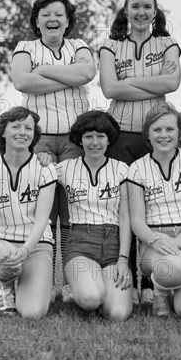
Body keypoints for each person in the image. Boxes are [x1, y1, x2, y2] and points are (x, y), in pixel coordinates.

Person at [10, 0, 96, 303]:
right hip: (40, 138)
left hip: (76, 140)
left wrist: (43, 71)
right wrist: (67, 77)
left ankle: (71, 284)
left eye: (59, 14)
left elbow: (87, 74)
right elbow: (21, 82)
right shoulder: (25, 48)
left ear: (68, 21)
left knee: (73, 212)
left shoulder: (79, 46)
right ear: (36, 20)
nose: (53, 19)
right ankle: (42, 283)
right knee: (42, 214)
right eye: (46, 14)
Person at [99, 0, 181, 304]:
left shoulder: (167, 43)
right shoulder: (110, 45)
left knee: (151, 208)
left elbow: (172, 83)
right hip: (120, 134)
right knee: (124, 209)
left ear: (155, 11)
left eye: (148, 6)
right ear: (126, 10)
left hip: (154, 134)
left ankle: (149, 284)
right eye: (135, 6)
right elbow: (108, 89)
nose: (141, 12)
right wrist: (148, 82)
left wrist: (127, 83)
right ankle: (127, 279)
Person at [126, 103, 181, 319]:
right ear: (147, 133)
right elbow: (136, 220)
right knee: (173, 268)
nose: (163, 135)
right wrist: (156, 240)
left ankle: (179, 287)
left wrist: (179, 241)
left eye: (169, 129)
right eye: (157, 130)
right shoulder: (136, 168)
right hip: (156, 243)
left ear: (178, 132)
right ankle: (161, 290)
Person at [0, 106, 57, 319]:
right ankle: (5, 287)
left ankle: (29, 283)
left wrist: (25, 250)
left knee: (32, 313)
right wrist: (2, 251)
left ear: (34, 134)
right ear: (3, 132)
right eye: (15, 126)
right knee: (5, 264)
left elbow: (42, 219)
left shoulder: (45, 168)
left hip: (36, 243)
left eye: (28, 128)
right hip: (3, 240)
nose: (22, 132)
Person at [57, 110, 132, 321]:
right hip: (80, 242)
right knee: (91, 298)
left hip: (113, 244)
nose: (95, 142)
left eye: (100, 136)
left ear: (109, 139)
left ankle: (98, 288)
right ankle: (85, 291)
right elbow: (34, 175)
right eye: (88, 136)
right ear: (80, 140)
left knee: (117, 314)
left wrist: (123, 260)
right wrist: (43, 160)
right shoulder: (64, 168)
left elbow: (125, 218)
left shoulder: (122, 169)